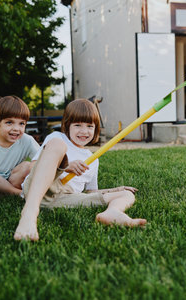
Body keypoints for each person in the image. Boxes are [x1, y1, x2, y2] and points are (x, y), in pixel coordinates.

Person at [14, 98, 146, 241]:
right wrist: (67, 166)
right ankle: (29, 214)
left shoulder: (93, 159)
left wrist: (116, 190)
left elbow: (91, 192)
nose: (84, 131)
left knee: (126, 194)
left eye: (90, 126)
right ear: (67, 125)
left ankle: (112, 212)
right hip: (41, 190)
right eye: (78, 125)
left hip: (65, 198)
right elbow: (33, 167)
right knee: (58, 145)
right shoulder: (57, 138)